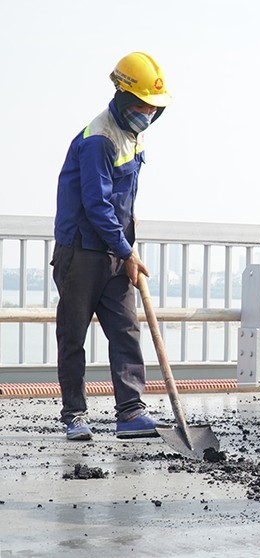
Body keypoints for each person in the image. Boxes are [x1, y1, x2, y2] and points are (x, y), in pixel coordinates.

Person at [53, 52, 172, 441]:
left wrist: (127, 249)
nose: (148, 113)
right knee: (73, 335)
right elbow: (97, 205)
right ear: (122, 96)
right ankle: (75, 416)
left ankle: (131, 413)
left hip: (116, 251)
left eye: (153, 107)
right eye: (142, 105)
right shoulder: (98, 139)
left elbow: (126, 202)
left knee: (126, 330)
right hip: (81, 252)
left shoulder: (133, 137)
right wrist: (126, 250)